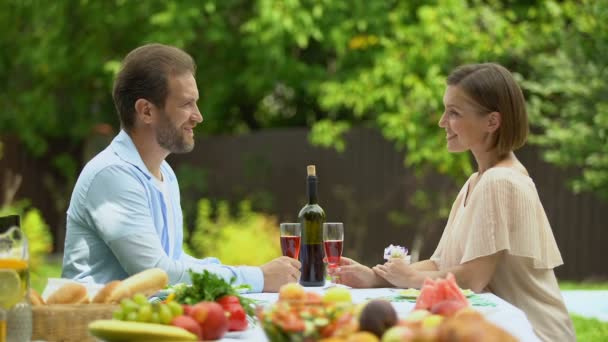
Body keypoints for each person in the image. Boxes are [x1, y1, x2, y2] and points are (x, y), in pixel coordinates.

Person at [330, 63, 575, 341]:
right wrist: (376, 276)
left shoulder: (500, 182)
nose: (442, 121)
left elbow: (472, 278)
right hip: (493, 327)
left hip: (532, 332)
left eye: (454, 112)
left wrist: (408, 278)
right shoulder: (476, 181)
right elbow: (440, 264)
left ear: (492, 122)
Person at [62, 43, 300, 292]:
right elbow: (157, 272)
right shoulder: (112, 175)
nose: (198, 116)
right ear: (146, 111)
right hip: (95, 327)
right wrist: (258, 278)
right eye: (186, 104)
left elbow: (175, 261)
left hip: (143, 322)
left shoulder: (165, 173)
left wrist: (251, 274)